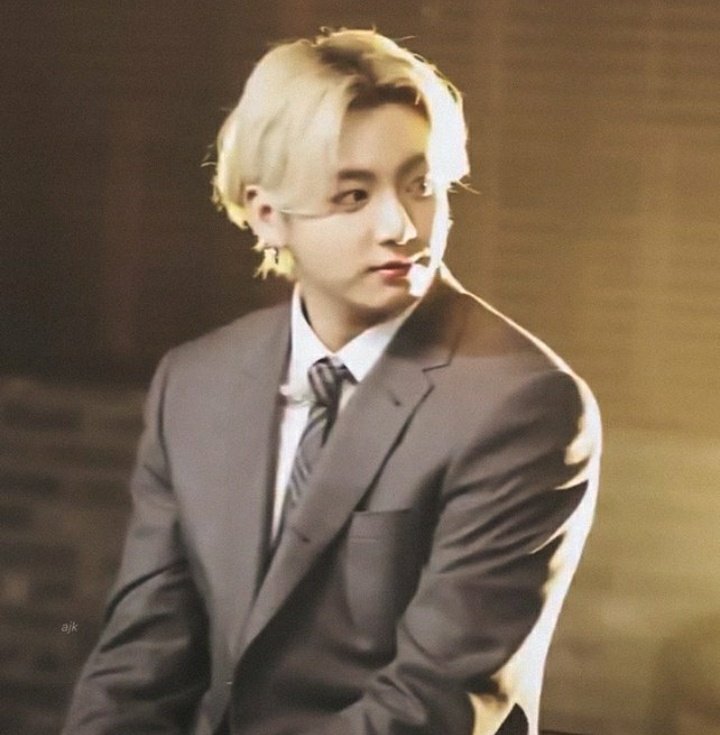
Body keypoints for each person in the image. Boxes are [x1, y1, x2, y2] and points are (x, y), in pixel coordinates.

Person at [63, 28, 601, 735]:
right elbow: (139, 662)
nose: (401, 226)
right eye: (353, 195)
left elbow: (431, 706)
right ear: (266, 215)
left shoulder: (521, 404)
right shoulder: (194, 383)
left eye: (420, 186)